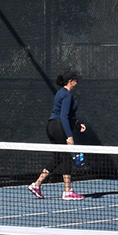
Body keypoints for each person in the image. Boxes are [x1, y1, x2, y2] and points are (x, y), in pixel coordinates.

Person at [29, 71, 87, 200]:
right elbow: (64, 116)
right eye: (76, 80)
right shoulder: (67, 95)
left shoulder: (60, 93)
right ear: (70, 81)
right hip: (59, 126)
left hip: (51, 126)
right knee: (66, 157)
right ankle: (68, 191)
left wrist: (77, 123)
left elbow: (66, 114)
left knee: (58, 158)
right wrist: (69, 135)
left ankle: (36, 184)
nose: (77, 83)